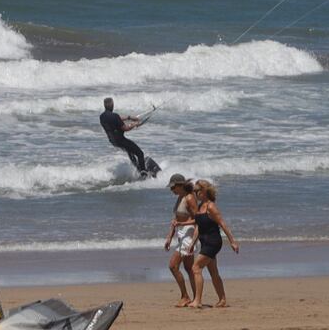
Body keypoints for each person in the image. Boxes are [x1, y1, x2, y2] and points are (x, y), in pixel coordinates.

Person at [189, 179, 240, 308]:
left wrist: (232, 242)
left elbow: (222, 224)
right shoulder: (200, 207)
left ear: (204, 191)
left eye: (197, 191)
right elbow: (198, 227)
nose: (195, 193)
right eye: (194, 191)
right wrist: (192, 243)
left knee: (196, 267)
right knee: (213, 272)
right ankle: (222, 300)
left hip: (213, 242)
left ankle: (197, 301)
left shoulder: (211, 206)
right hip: (204, 242)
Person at [162, 174, 200, 308]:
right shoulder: (179, 198)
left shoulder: (190, 198)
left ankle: (186, 297)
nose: (171, 190)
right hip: (181, 235)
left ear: (180, 185)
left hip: (189, 236)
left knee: (173, 266)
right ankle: (195, 298)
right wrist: (169, 237)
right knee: (189, 268)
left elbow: (198, 220)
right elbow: (176, 220)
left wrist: (193, 241)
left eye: (173, 187)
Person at [99, 97, 155, 177]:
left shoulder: (102, 116)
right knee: (140, 153)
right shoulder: (114, 116)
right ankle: (143, 173)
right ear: (112, 105)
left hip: (113, 141)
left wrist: (129, 118)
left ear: (105, 106)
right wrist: (135, 124)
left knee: (131, 152)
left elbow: (116, 119)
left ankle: (138, 168)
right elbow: (125, 128)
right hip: (121, 140)